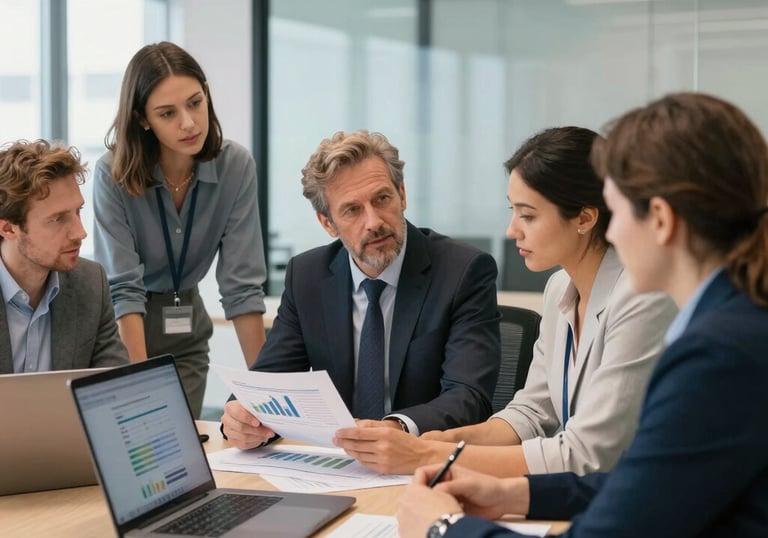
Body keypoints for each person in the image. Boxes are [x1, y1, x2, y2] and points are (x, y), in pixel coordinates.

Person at [397, 92, 768, 537]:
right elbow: (652, 486)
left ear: (662, 220)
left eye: (617, 212)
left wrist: (443, 528)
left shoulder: (718, 354)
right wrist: (518, 495)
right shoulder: (737, 324)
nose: (611, 231)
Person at [334, 126, 676, 475]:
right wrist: (437, 442)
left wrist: (426, 457)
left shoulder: (643, 297)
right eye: (513, 211)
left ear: (585, 218)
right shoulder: (561, 287)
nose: (512, 229)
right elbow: (531, 413)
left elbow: (586, 454)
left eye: (528, 215)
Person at [221, 129, 501, 452]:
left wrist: (395, 428)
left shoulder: (462, 271)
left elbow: (469, 397)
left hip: (423, 462)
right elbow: (268, 382)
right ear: (327, 223)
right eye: (352, 210)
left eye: (382, 199)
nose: (373, 222)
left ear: (402, 194)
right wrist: (241, 417)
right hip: (338, 467)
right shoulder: (307, 277)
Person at [92, 42, 267, 418]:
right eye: (167, 113)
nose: (188, 122)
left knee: (180, 453)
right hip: (122, 335)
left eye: (195, 102)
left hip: (187, 333)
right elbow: (123, 288)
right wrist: (138, 383)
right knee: (139, 445)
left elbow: (242, 286)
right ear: (142, 119)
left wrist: (268, 392)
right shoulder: (112, 174)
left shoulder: (236, 166)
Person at [0, 139, 128, 374]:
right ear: (8, 229)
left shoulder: (91, 283)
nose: (80, 232)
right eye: (58, 219)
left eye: (78, 211)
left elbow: (115, 389)